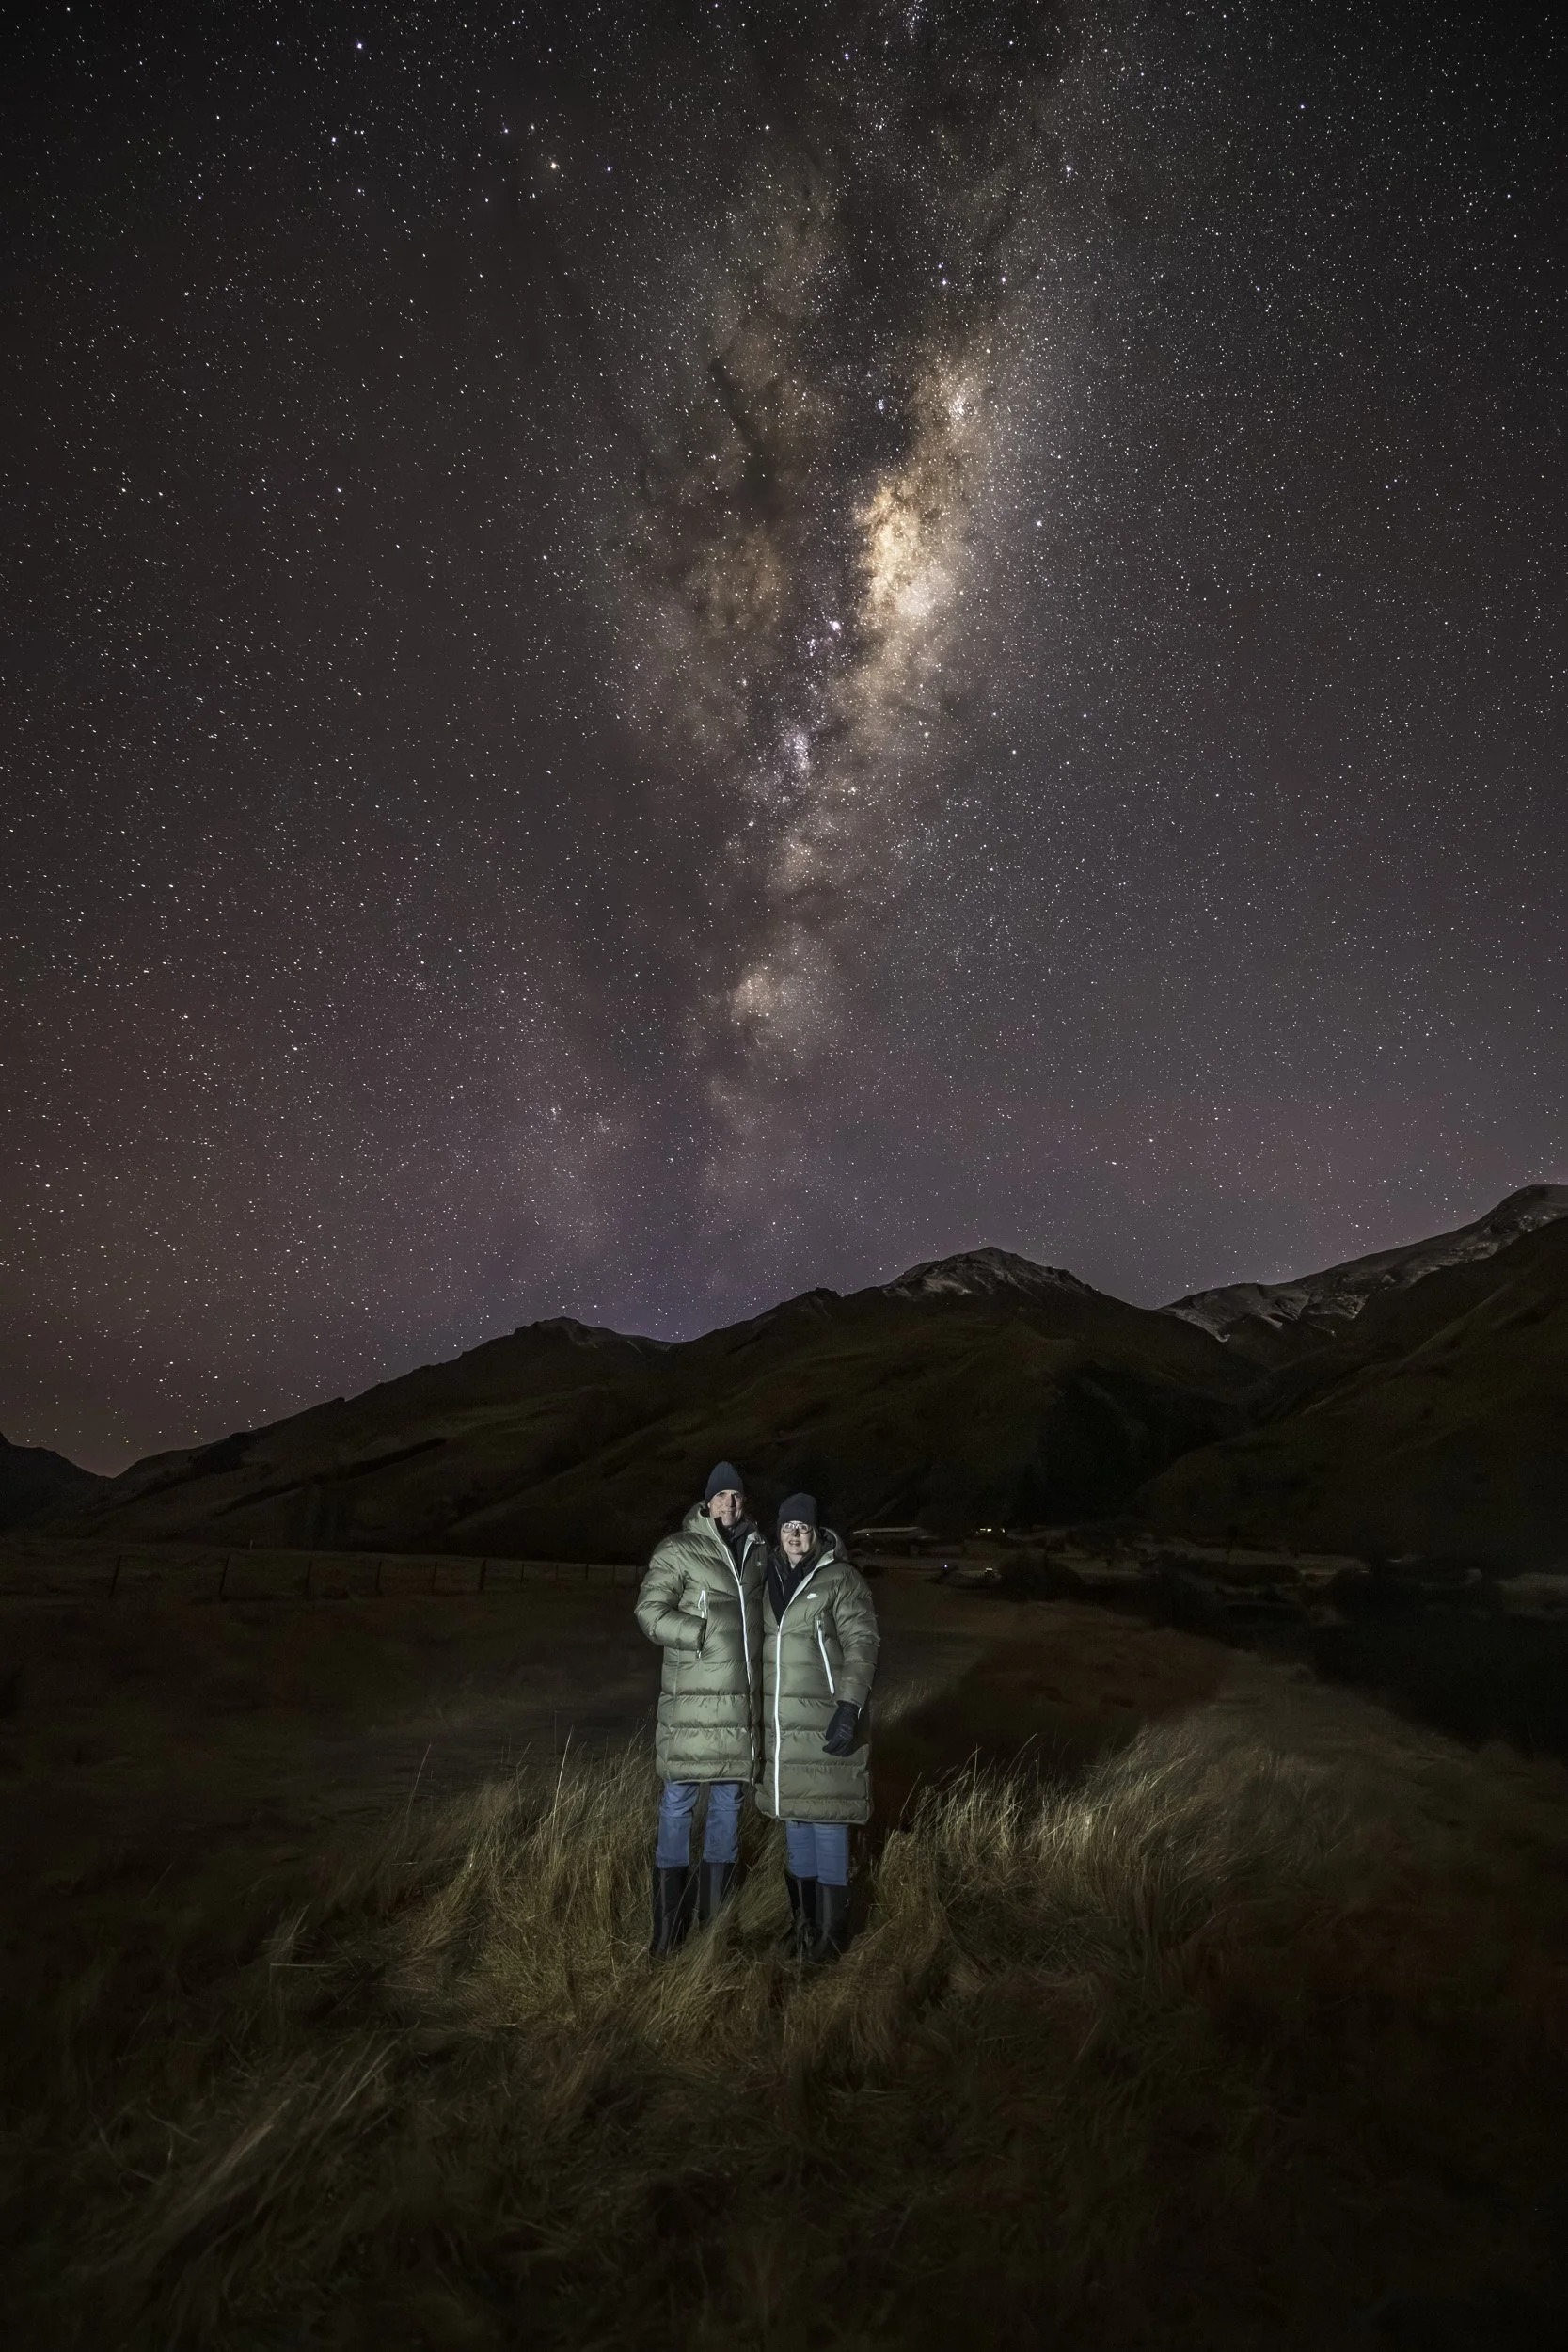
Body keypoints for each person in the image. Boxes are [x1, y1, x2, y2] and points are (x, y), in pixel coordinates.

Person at [634, 1460, 765, 1954]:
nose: (730, 1504)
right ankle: (667, 1932)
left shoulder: (757, 1552)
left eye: (737, 1496)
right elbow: (650, 1611)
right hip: (691, 1706)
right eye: (722, 1496)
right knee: (678, 1806)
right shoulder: (679, 1549)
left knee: (729, 1805)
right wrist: (698, 1633)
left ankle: (714, 1926)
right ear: (707, 1502)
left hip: (736, 1709)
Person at [757, 1493, 879, 1963]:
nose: (794, 1534)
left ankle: (833, 1939)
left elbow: (863, 1642)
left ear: (816, 1534)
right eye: (787, 1526)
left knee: (828, 1823)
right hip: (786, 1730)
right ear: (778, 1532)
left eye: (803, 1527)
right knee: (796, 1823)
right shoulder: (770, 1581)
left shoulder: (841, 1580)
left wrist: (849, 1706)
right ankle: (804, 1926)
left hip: (827, 1721)